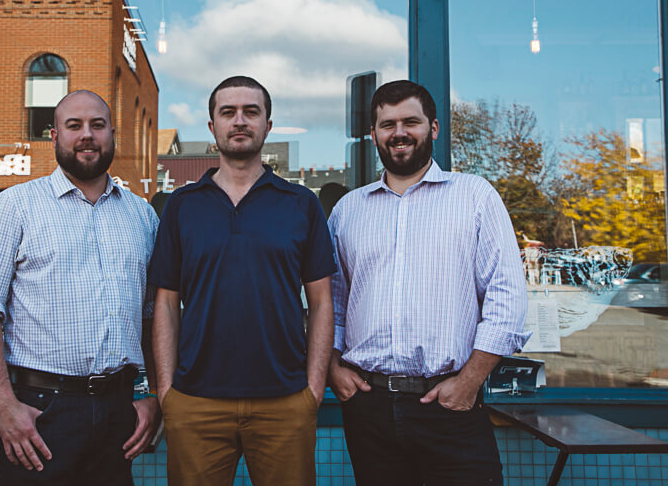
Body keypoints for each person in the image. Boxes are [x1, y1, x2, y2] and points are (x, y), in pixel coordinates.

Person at [327, 80, 530, 485]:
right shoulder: (348, 210)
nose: (399, 133)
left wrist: (469, 383)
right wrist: (332, 368)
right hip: (370, 407)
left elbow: (507, 298)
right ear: (373, 135)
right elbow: (332, 302)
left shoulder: (475, 196)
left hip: (450, 403)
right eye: (387, 124)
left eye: (410, 122)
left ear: (433, 128)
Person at [0, 90, 160, 485]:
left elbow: (153, 316)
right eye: (74, 126)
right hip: (40, 412)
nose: (87, 135)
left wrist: (152, 396)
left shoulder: (142, 215)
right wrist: (3, 405)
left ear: (112, 135)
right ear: (54, 136)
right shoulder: (14, 206)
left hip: (119, 410)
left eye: (97, 125)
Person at [150, 76, 336, 486]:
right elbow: (165, 302)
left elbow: (322, 302)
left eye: (251, 112)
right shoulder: (182, 206)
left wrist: (313, 390)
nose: (239, 121)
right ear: (212, 125)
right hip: (195, 401)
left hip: (285, 400)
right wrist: (167, 392)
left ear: (267, 125)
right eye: (228, 112)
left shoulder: (300, 204)